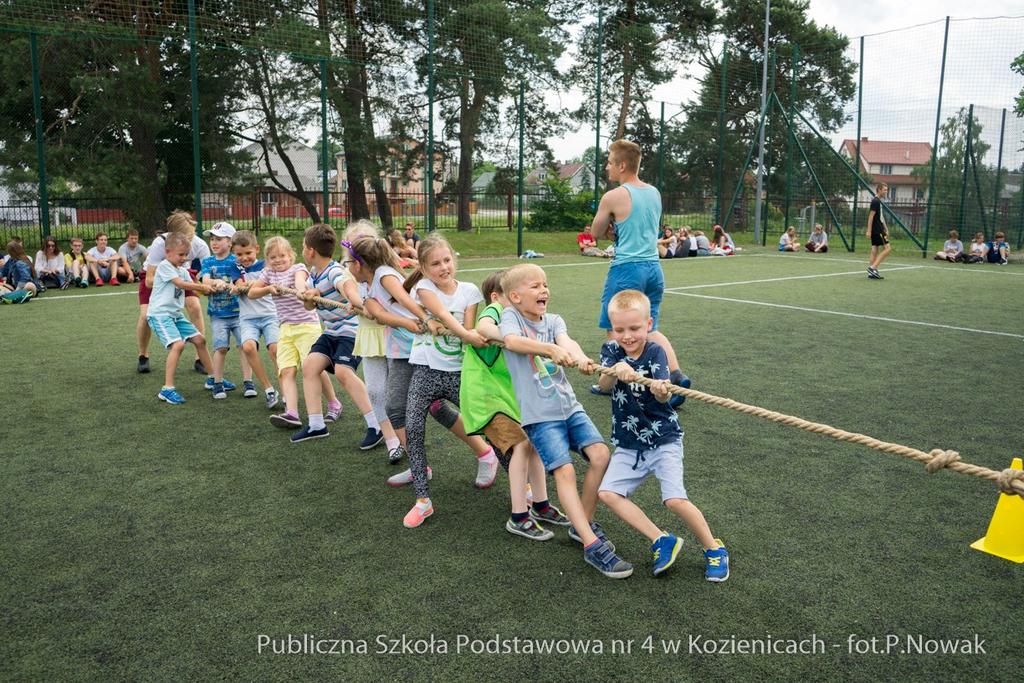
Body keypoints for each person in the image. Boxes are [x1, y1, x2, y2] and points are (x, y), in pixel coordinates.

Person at [499, 263, 632, 579]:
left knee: (601, 456)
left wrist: (580, 356)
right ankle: (590, 544)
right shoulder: (511, 318)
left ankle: (581, 522)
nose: (544, 290)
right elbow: (513, 342)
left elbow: (567, 341)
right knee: (566, 470)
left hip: (569, 407)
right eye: (535, 285)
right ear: (515, 296)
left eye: (545, 284)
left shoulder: (554, 320)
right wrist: (549, 350)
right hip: (539, 416)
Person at [585, 290, 729, 581]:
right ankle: (661, 539)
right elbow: (603, 383)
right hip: (628, 443)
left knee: (674, 499)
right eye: (620, 329)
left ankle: (714, 549)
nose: (627, 336)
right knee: (608, 493)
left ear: (648, 324)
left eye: (635, 328)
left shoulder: (655, 352)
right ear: (612, 328)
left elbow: (663, 399)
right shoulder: (611, 350)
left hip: (663, 439)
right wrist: (616, 370)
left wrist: (660, 390)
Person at [347, 236, 495, 487]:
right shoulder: (369, 284)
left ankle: (486, 453)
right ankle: (421, 466)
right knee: (407, 407)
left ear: (359, 264)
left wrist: (424, 320)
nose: (347, 267)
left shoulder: (384, 274)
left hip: (414, 350)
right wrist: (364, 306)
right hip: (405, 350)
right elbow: (382, 311)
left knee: (414, 406)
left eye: (349, 262)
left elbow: (406, 301)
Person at [398, 234, 498, 527]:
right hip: (426, 371)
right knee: (414, 429)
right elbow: (442, 313)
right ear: (424, 268)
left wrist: (470, 335)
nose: (443, 267)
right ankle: (422, 501)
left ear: (453, 259)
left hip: (458, 372)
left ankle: (526, 489)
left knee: (488, 425)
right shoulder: (424, 288)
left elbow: (467, 326)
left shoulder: (468, 291)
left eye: (446, 260)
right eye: (435, 264)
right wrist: (463, 333)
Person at [467, 270, 568, 540]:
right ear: (499, 297)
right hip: (486, 398)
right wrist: (509, 338)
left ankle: (541, 504)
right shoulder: (496, 311)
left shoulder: (523, 320)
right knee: (521, 445)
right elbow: (484, 328)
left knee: (532, 442)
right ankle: (519, 516)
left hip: (508, 396)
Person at [590, 139, 689, 404]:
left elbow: (595, 233)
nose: (608, 167)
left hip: (627, 269)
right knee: (650, 327)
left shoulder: (613, 196)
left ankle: (607, 384)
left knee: (616, 327)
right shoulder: (654, 192)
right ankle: (676, 377)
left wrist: (609, 221)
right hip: (654, 269)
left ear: (622, 165)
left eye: (610, 162)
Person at [290, 224, 382, 448]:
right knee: (310, 366)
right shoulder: (314, 275)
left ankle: (377, 425)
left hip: (349, 332)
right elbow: (310, 308)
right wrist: (309, 295)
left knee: (343, 372)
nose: (303, 250)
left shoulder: (334, 271)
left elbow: (346, 286)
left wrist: (357, 302)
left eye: (303, 247)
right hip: (331, 333)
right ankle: (316, 424)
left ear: (311, 251)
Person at [247, 236, 338, 428]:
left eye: (282, 255)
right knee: (286, 369)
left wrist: (300, 291)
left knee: (313, 368)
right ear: (267, 259)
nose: (278, 260)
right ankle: (292, 413)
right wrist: (268, 289)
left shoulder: (298, 269)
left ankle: (333, 403)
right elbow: (251, 292)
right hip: (285, 328)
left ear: (291, 255)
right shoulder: (267, 273)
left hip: (306, 327)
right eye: (272, 257)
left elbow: (300, 281)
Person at [347, 223, 403, 461]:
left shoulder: (387, 273)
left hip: (393, 335)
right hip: (369, 337)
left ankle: (406, 438)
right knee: (375, 390)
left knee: (397, 393)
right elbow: (348, 291)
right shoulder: (350, 273)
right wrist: (358, 305)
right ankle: (391, 440)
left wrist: (372, 307)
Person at [136, 211, 211, 375]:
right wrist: (170, 282)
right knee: (145, 315)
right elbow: (149, 280)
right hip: (156, 278)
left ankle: (200, 358)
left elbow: (208, 274)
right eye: (187, 236)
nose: (191, 240)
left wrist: (210, 284)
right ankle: (143, 355)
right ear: (174, 236)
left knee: (195, 306)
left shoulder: (199, 245)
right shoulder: (159, 244)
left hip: (181, 275)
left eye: (191, 235)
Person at [146, 233, 216, 405]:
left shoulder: (182, 270)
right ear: (168, 252)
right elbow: (181, 284)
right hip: (160, 315)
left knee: (200, 340)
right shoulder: (164, 266)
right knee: (178, 345)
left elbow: (194, 285)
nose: (184, 258)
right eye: (181, 254)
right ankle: (167, 389)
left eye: (186, 255)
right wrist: (202, 286)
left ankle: (214, 378)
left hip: (175, 315)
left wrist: (215, 286)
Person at [197, 222, 251, 399]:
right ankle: (217, 383)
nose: (214, 242)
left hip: (239, 314)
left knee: (244, 347)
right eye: (212, 239)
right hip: (218, 315)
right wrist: (214, 282)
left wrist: (229, 284)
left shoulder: (236, 260)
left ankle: (248, 382)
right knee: (220, 348)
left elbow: (241, 281)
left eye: (219, 239)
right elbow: (204, 281)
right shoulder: (208, 261)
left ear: (230, 242)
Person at [230, 230, 280, 409]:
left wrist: (248, 285)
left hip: (270, 315)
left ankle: (284, 387)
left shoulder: (266, 265)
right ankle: (268, 389)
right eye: (239, 254)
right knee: (248, 347)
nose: (244, 258)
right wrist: (240, 286)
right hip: (248, 318)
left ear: (257, 249)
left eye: (248, 253)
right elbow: (239, 285)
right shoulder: (235, 267)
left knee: (275, 349)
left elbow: (258, 285)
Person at [866, 183, 891, 279]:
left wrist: (886, 227)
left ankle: (871, 273)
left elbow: (880, 216)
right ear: (879, 190)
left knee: (874, 249)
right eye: (885, 190)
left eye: (886, 189)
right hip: (878, 229)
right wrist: (868, 230)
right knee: (888, 248)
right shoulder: (875, 201)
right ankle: (873, 267)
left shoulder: (878, 201)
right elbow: (871, 216)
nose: (886, 191)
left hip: (878, 229)